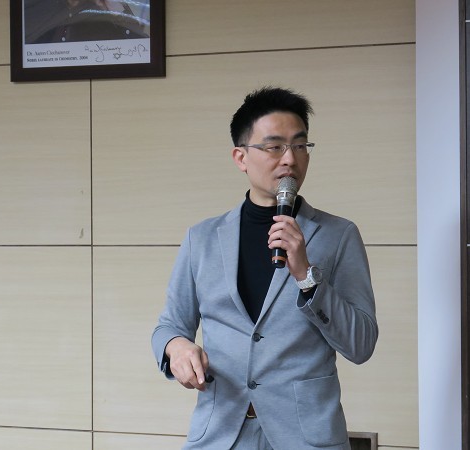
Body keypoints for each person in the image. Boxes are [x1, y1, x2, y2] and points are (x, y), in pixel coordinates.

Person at [152, 87, 378, 449]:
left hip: (306, 437)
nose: (290, 159)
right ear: (241, 157)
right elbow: (169, 326)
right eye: (275, 147)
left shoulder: (338, 235)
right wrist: (176, 347)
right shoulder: (202, 238)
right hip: (221, 434)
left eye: (300, 146)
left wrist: (306, 276)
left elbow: (361, 344)